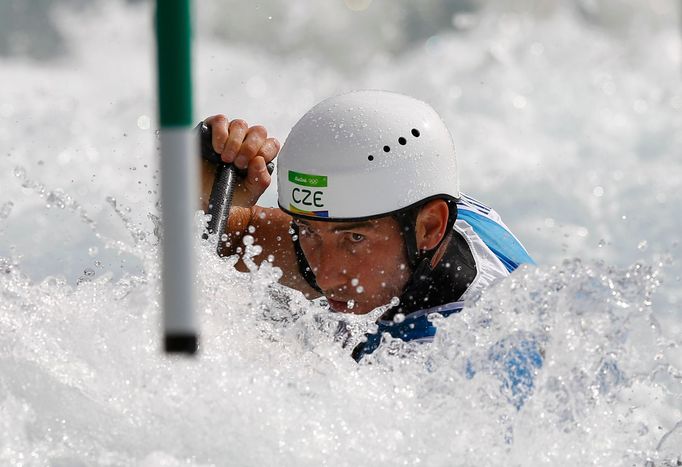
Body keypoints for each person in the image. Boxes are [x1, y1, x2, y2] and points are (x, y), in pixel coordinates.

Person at [199, 90, 536, 364]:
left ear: (430, 227)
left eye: (354, 238)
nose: (326, 275)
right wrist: (209, 196)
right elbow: (231, 241)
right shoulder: (427, 222)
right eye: (308, 231)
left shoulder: (452, 363)